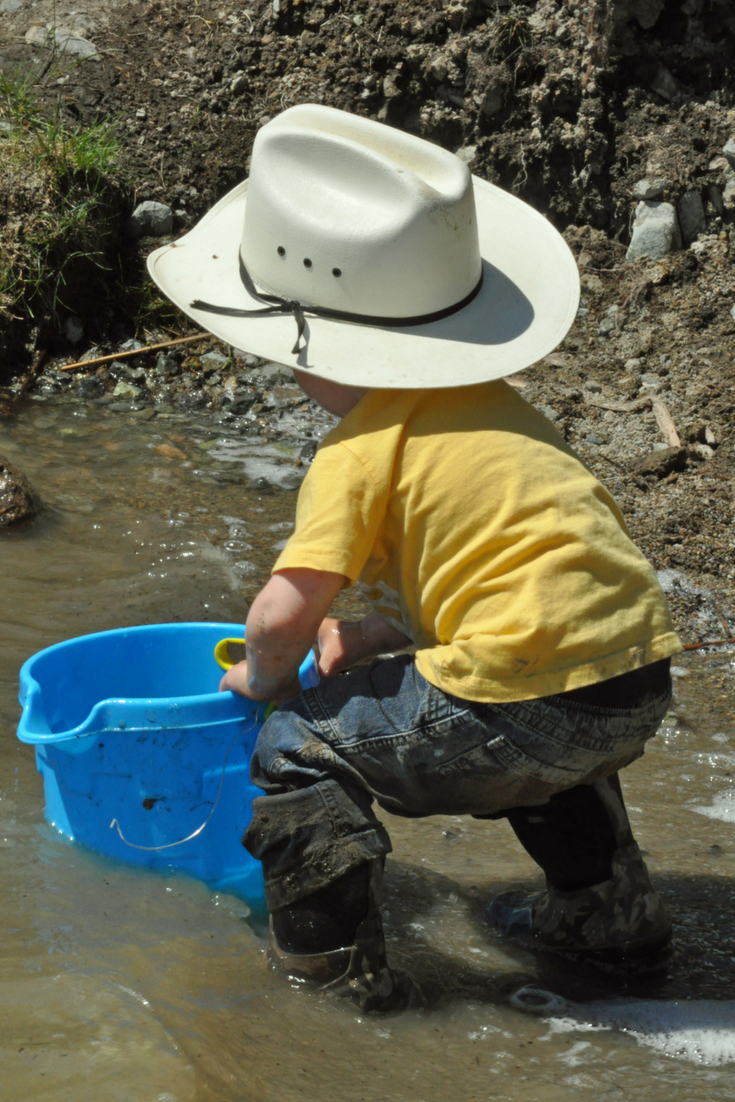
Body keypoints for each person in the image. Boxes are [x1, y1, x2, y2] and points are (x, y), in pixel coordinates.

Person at [148, 104, 681, 1011]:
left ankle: (330, 981)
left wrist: (264, 679)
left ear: (310, 352)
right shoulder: (495, 409)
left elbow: (280, 615)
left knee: (299, 747)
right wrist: (373, 634)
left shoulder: (356, 447)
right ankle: (611, 932)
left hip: (524, 687)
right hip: (630, 677)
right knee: (551, 760)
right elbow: (507, 568)